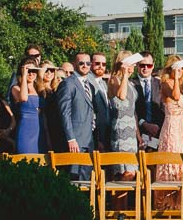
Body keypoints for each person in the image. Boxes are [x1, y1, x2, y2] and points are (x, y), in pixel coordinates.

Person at [52, 52, 97, 181]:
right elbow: (64, 113)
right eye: (81, 63)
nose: (85, 66)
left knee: (87, 179)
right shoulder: (68, 84)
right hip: (75, 141)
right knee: (74, 179)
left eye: (88, 63)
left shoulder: (90, 86)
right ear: (74, 64)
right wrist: (71, 138)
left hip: (88, 140)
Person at [155, 57, 183, 205]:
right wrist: (176, 78)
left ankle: (178, 202)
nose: (180, 71)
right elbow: (175, 96)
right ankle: (166, 201)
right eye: (176, 68)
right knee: (170, 159)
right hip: (170, 127)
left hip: (180, 127)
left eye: (181, 69)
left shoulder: (182, 85)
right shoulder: (165, 83)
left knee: (180, 162)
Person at [104, 54, 140, 180]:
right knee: (124, 172)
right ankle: (118, 199)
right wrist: (124, 74)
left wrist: (138, 135)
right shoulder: (114, 79)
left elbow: (132, 109)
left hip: (131, 130)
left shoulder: (129, 83)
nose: (134, 66)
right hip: (121, 129)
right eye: (132, 63)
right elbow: (122, 96)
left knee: (132, 172)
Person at [11, 54, 43, 154]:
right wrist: (24, 76)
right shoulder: (16, 88)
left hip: (39, 129)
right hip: (26, 129)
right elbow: (24, 98)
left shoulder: (39, 89)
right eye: (29, 71)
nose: (31, 74)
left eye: (34, 71)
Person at [132, 51, 162, 150]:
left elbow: (163, 108)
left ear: (153, 66)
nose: (145, 68)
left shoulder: (160, 84)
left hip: (157, 132)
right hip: (138, 133)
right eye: (142, 65)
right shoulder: (130, 84)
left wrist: (156, 127)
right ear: (137, 65)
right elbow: (131, 110)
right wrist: (143, 123)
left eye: (148, 65)